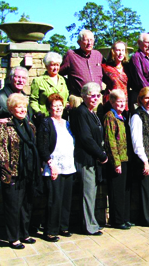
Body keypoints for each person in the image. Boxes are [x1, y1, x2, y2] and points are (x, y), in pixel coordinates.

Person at [0, 93, 41, 249]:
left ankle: (24, 233)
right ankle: (13, 238)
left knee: (26, 205)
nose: (22, 109)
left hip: (28, 172)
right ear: (11, 108)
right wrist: (6, 173)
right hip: (13, 173)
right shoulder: (4, 126)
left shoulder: (30, 126)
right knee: (13, 206)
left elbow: (33, 147)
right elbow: (2, 152)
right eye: (18, 106)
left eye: (23, 106)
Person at [70, 82, 108, 235]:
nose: (95, 98)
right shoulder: (81, 113)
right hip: (86, 159)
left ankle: (92, 223)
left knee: (92, 192)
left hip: (94, 159)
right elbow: (86, 138)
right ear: (84, 96)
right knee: (87, 193)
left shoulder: (92, 112)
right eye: (92, 95)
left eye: (98, 95)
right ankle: (88, 226)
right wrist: (101, 154)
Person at [37, 93, 76, 242]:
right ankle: (50, 231)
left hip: (68, 166)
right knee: (54, 199)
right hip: (54, 167)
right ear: (49, 108)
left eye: (60, 105)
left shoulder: (67, 123)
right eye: (55, 106)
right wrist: (50, 164)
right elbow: (42, 146)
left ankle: (63, 226)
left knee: (66, 199)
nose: (58, 108)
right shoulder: (46, 123)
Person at [130, 87, 149, 227]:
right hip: (144, 158)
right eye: (146, 98)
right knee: (145, 189)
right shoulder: (137, 116)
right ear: (141, 99)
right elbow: (137, 141)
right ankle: (145, 218)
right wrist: (144, 161)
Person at [103, 90, 132, 229]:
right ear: (112, 102)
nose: (121, 104)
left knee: (125, 190)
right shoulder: (110, 116)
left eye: (123, 101)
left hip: (126, 157)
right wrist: (116, 162)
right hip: (117, 160)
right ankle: (117, 220)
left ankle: (125, 217)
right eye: (118, 101)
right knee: (117, 191)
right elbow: (110, 140)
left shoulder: (123, 116)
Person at [59, 29, 104, 108]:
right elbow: (59, 73)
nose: (89, 43)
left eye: (91, 40)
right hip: (79, 100)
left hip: (97, 99)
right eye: (86, 40)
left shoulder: (98, 55)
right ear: (79, 42)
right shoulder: (71, 55)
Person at [0, 66, 31, 132]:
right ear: (10, 78)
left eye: (23, 78)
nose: (20, 80)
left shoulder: (25, 97)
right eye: (17, 77)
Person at [128, 33, 149, 114]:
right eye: (147, 43)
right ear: (139, 43)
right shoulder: (136, 58)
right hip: (144, 100)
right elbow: (141, 80)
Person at [30, 52, 69, 117]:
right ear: (46, 66)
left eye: (57, 65)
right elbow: (33, 101)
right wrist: (38, 112)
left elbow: (66, 99)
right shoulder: (38, 81)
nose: (55, 68)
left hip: (61, 117)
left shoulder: (63, 80)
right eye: (53, 65)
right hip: (45, 117)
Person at [102, 41, 129, 111]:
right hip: (111, 102)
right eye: (118, 50)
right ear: (113, 51)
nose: (121, 53)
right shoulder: (105, 67)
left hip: (124, 102)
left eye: (123, 50)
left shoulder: (128, 67)